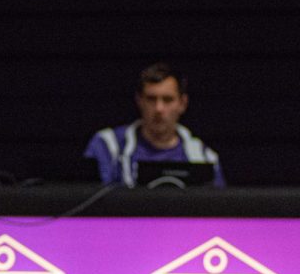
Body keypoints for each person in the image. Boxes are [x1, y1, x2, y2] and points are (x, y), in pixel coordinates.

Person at [84, 62, 225, 187]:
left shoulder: (204, 157)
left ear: (183, 103)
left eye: (167, 99)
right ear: (139, 100)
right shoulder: (108, 146)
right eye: (151, 99)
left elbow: (218, 212)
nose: (159, 109)